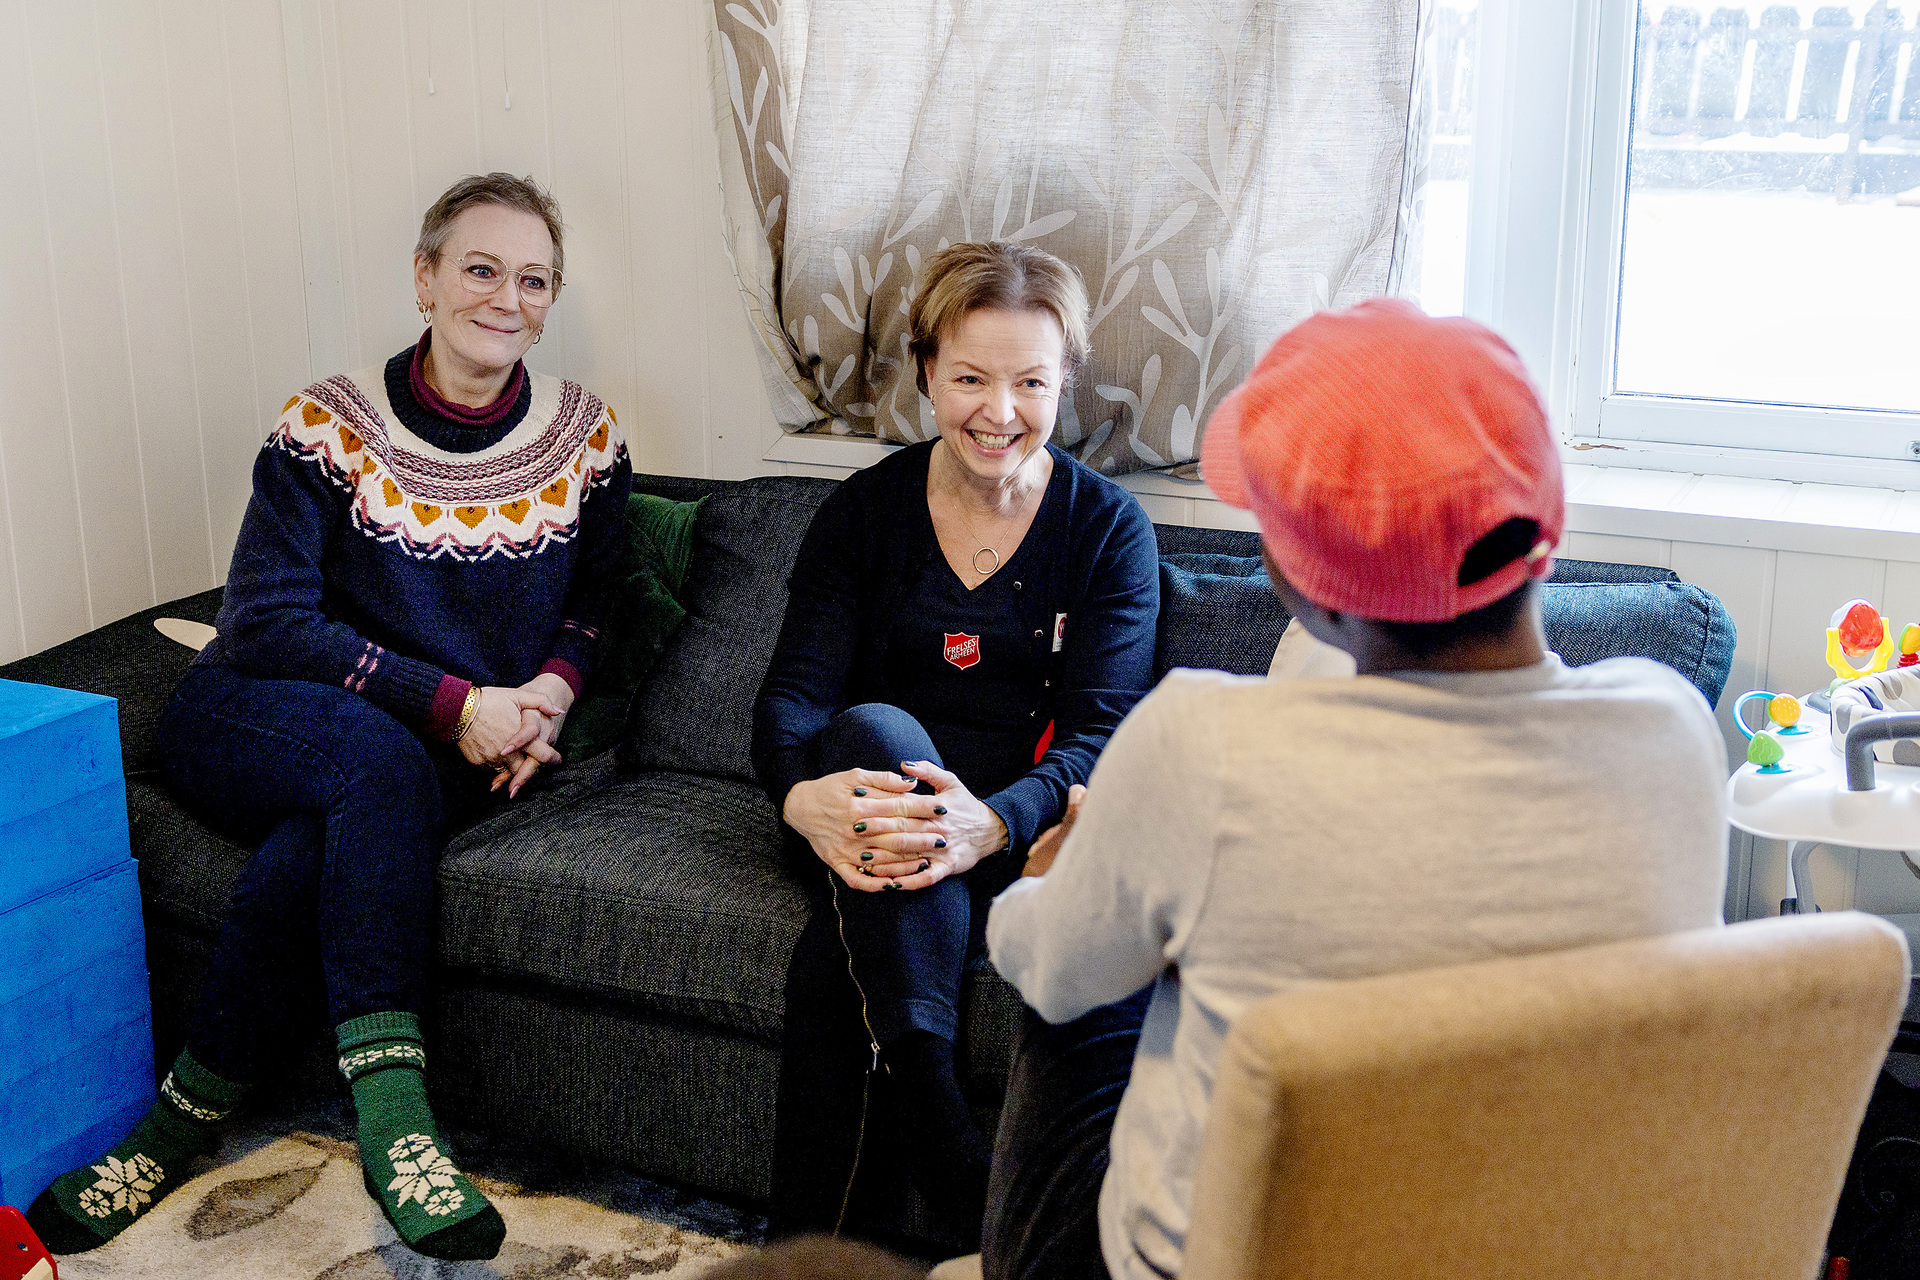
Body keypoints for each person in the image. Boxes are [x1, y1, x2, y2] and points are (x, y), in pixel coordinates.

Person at [979, 299, 1731, 1280]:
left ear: (1305, 586)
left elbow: (1045, 965)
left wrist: (1052, 878)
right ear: (1542, 520)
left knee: (1084, 977)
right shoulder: (1673, 734)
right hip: (1523, 1247)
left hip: (1211, 1257)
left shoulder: (1202, 748)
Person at [27, 173, 631, 1262]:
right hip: (252, 711)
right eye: (481, 267)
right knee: (374, 763)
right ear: (425, 277)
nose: (509, 295)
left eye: (534, 278)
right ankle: (399, 1121)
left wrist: (545, 697)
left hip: (429, 748)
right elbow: (262, 623)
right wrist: (458, 702)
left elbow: (595, 610)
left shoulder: (584, 436)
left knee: (313, 849)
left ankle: (175, 1124)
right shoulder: (329, 422)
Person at [752, 241, 1161, 1239]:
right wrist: (797, 799)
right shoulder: (865, 510)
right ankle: (947, 1138)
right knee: (875, 729)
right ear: (927, 369)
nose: (1000, 410)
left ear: (1063, 380)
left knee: (831, 964)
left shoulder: (1108, 530)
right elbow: (792, 707)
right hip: (866, 812)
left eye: (1029, 380)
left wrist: (989, 825)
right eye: (971, 377)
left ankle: (817, 1248)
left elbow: (1104, 735)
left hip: (1014, 837)